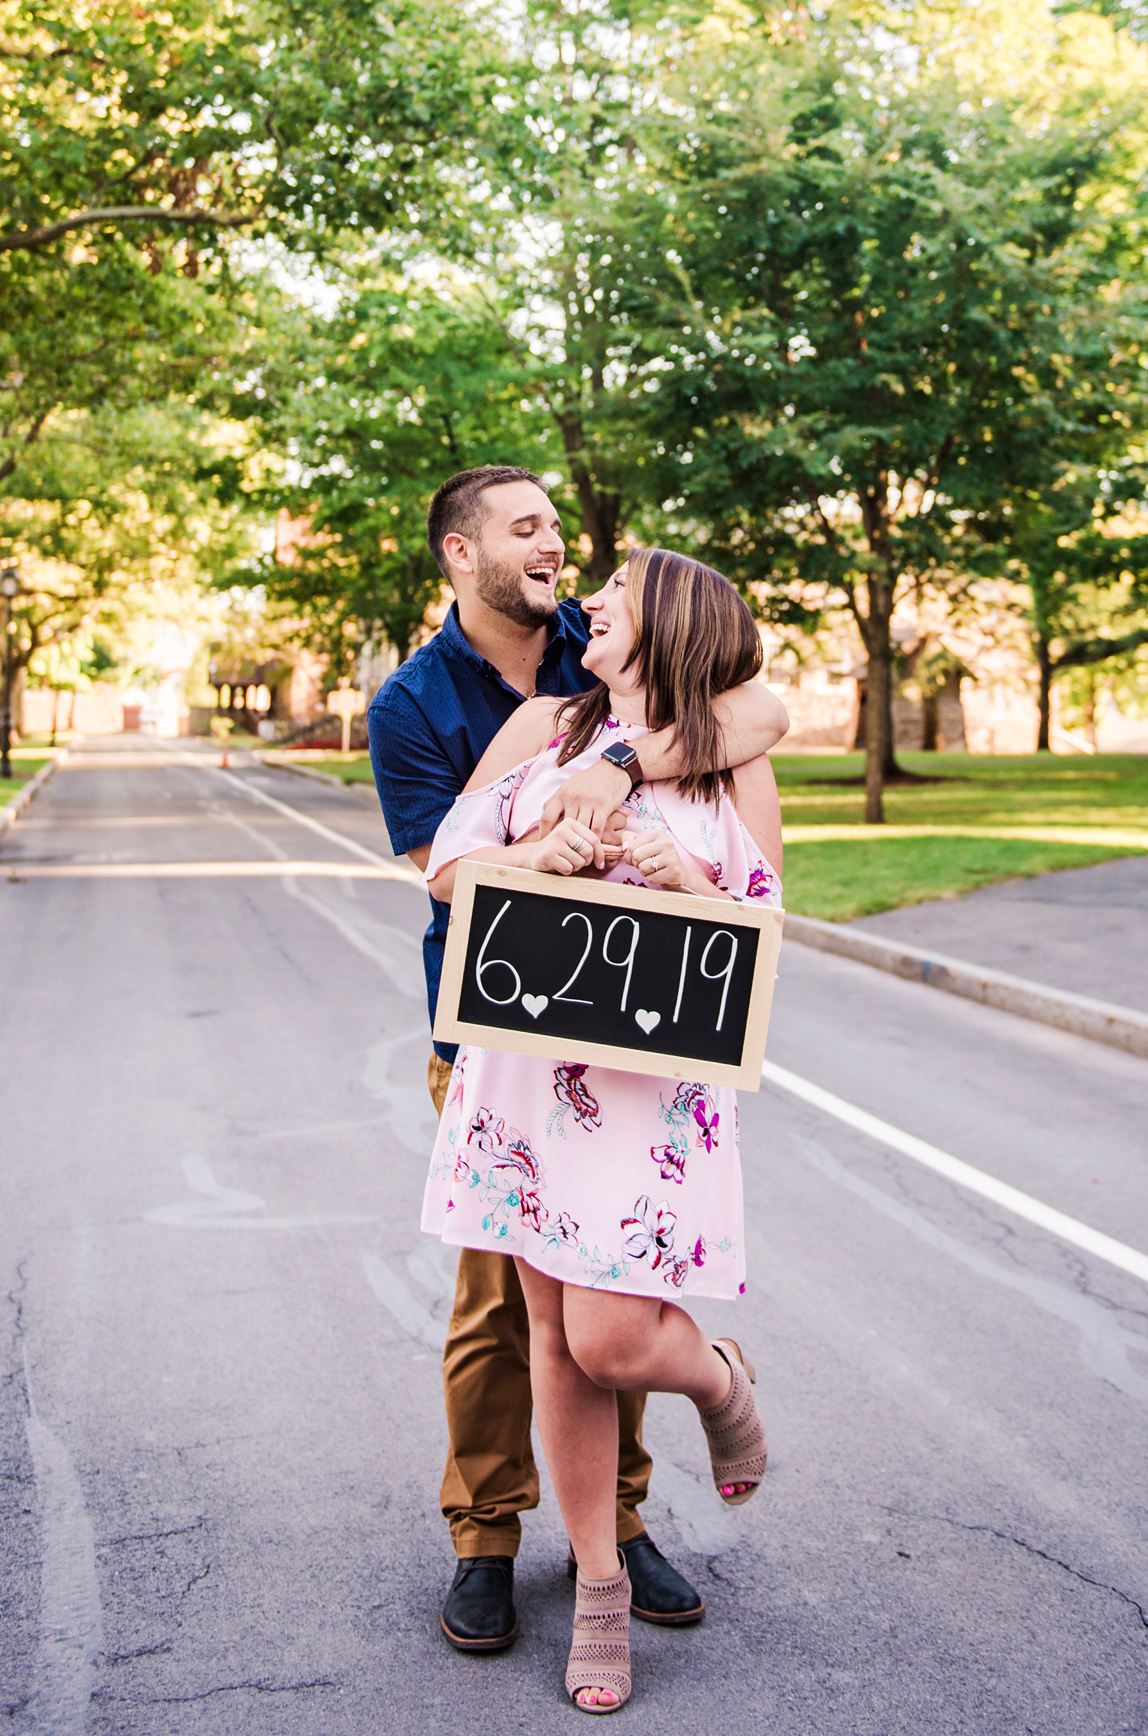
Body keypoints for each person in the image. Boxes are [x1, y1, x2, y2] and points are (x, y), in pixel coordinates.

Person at [367, 467, 787, 1653]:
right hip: (506, 1051)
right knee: (513, 1319)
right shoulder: (435, 705)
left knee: (614, 1324)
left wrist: (649, 803)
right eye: (530, 529)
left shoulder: (623, 677)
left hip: (648, 1083)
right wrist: (552, 841)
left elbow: (755, 737)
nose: (566, 557)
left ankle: (657, 1469)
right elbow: (446, 866)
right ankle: (506, 1545)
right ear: (462, 553)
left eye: (580, 548)